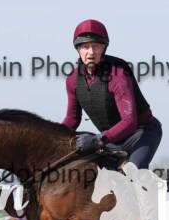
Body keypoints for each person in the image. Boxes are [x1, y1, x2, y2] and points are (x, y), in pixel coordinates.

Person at [62, 19, 162, 169]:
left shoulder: (118, 74)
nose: (91, 52)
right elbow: (72, 119)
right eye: (85, 47)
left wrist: (98, 139)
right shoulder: (72, 80)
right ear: (78, 49)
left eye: (96, 46)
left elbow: (129, 122)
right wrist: (52, 136)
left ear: (103, 48)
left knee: (133, 174)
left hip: (141, 134)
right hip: (111, 141)